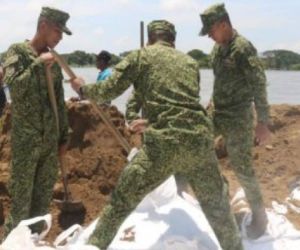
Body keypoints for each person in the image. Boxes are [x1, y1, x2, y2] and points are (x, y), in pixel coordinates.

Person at [71, 20, 244, 250]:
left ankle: (94, 246)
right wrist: (151, 121)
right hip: (199, 141)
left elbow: (107, 90)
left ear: (151, 39)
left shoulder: (141, 56)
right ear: (173, 41)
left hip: (163, 145)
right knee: (219, 210)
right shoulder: (191, 63)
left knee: (122, 200)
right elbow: (182, 108)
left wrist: (82, 88)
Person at [199, 3, 270, 239]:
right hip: (218, 112)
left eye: (211, 31)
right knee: (196, 145)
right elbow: (220, 81)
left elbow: (259, 84)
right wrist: (210, 103)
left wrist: (263, 122)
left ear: (223, 24)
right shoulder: (218, 50)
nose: (210, 36)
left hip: (239, 116)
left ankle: (260, 216)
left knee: (242, 168)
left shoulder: (243, 48)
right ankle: (220, 196)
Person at [3, 7, 71, 234]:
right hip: (27, 143)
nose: (60, 38)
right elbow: (14, 87)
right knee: (21, 207)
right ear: (43, 26)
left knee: (41, 208)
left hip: (49, 144)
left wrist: (63, 138)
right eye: (57, 31)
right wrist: (37, 64)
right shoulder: (18, 52)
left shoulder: (55, 60)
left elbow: (59, 104)